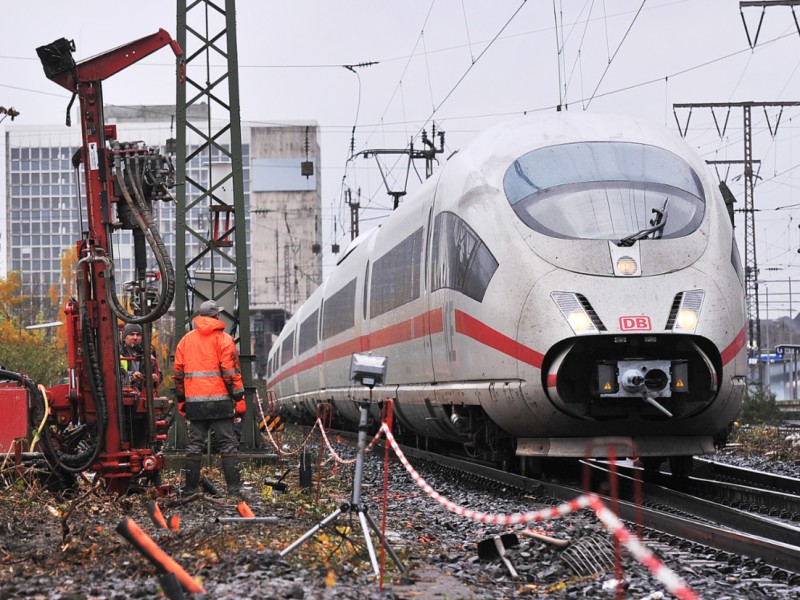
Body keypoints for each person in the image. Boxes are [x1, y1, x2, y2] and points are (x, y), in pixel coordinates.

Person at [173, 300, 247, 496]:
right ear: (216, 317)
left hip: (195, 404)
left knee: (194, 445)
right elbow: (231, 373)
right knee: (227, 444)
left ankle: (190, 489)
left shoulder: (186, 340)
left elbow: (178, 374)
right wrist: (239, 398)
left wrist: (181, 399)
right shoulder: (224, 340)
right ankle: (234, 488)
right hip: (220, 402)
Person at [119, 323, 162, 391]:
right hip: (123, 394)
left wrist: (153, 377)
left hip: (143, 394)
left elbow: (159, 375)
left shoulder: (147, 355)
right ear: (124, 338)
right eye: (131, 334)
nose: (135, 337)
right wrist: (131, 376)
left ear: (141, 338)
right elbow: (115, 374)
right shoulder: (117, 354)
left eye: (138, 335)